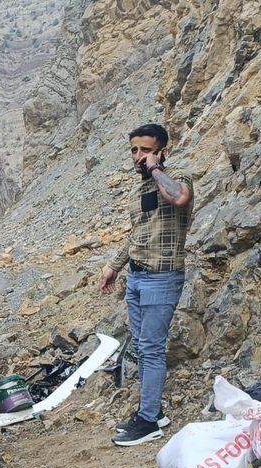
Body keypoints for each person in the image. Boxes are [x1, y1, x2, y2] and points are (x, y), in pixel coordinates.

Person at [98, 123, 194, 447]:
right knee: (141, 347)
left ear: (163, 151)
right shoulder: (139, 189)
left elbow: (179, 197)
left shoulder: (178, 177)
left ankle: (149, 420)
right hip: (137, 277)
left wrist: (155, 169)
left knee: (151, 349)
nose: (138, 156)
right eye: (134, 150)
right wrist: (114, 266)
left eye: (146, 150)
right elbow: (137, 232)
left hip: (162, 278)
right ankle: (155, 411)